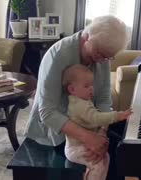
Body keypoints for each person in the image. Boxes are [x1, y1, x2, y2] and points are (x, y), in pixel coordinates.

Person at [24, 15, 128, 180]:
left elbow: (103, 99)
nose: (102, 60)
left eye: (108, 57)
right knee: (106, 159)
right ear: (87, 36)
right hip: (55, 132)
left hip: (87, 121)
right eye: (99, 53)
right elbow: (47, 112)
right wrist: (88, 138)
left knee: (120, 150)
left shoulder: (102, 56)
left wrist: (101, 133)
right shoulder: (58, 56)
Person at [62, 64, 132, 180]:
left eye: (91, 85)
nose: (91, 89)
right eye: (86, 86)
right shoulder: (78, 105)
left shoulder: (80, 100)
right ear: (72, 89)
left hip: (81, 144)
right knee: (99, 164)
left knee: (106, 157)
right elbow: (95, 118)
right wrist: (118, 115)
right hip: (76, 148)